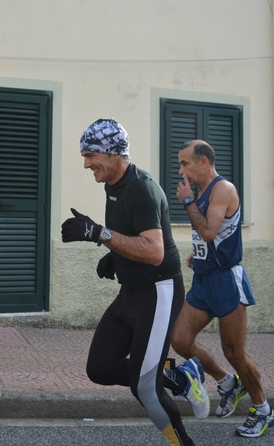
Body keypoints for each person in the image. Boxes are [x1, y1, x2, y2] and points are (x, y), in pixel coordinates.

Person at [61, 119, 206, 446]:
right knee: (99, 367)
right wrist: (116, 254)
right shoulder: (113, 184)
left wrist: (99, 234)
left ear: (112, 154)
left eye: (90, 155)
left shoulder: (141, 187)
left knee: (145, 389)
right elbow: (137, 236)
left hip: (158, 293)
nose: (85, 164)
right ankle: (179, 376)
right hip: (131, 293)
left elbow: (155, 252)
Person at [167, 140, 274, 438]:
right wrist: (199, 254)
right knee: (180, 339)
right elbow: (209, 238)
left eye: (185, 164)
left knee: (236, 353)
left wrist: (188, 202)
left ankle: (263, 410)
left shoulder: (222, 188)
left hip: (227, 282)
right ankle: (227, 381)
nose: (181, 171)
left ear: (203, 162)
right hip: (204, 280)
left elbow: (208, 229)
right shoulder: (202, 191)